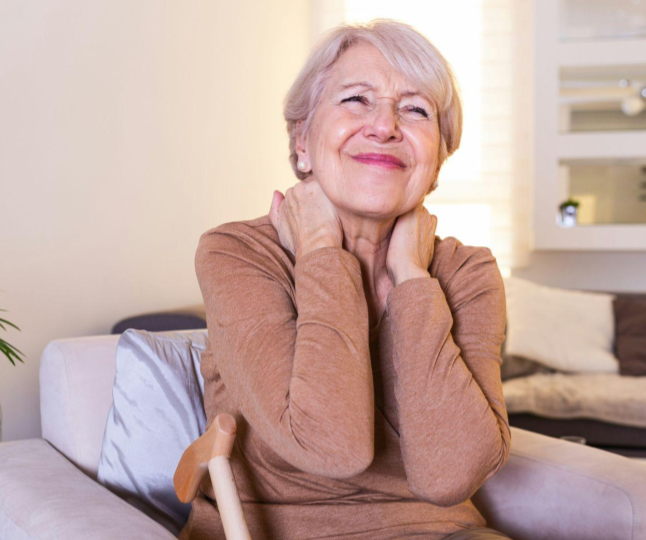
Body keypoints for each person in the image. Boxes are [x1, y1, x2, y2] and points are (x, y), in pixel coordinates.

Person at [180, 19, 511, 540]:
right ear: (303, 140)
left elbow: (451, 476)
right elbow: (333, 447)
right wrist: (320, 253)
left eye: (415, 109)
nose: (385, 126)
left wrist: (411, 279)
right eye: (357, 100)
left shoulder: (467, 273)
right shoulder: (238, 254)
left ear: (438, 159)